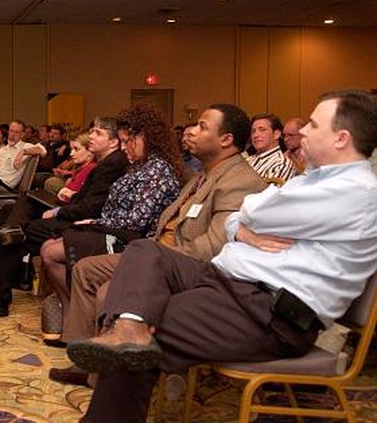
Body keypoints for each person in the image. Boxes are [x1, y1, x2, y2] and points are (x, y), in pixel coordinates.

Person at [67, 90, 377, 423]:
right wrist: (242, 229)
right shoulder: (314, 180)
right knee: (145, 251)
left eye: (314, 125)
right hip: (228, 286)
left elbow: (253, 208)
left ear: (341, 138)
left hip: (268, 313)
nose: (303, 132)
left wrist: (247, 220)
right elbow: (238, 219)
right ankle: (130, 330)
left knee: (142, 329)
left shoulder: (357, 192)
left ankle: (129, 340)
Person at [48, 103, 266, 386]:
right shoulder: (204, 175)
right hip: (158, 251)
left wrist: (157, 256)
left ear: (226, 140)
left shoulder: (240, 181)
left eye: (201, 126)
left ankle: (104, 376)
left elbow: (213, 247)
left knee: (108, 290)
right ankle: (84, 358)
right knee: (86, 269)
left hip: (186, 265)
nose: (190, 131)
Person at [38, 104, 182, 341]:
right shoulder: (141, 165)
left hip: (130, 239)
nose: (124, 148)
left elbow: (138, 220)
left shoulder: (158, 169)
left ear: (146, 138)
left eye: (128, 142)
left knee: (52, 251)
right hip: (113, 228)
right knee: (48, 246)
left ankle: (73, 313)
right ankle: (72, 313)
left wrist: (97, 221)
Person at [0, 117, 129, 317]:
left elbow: (90, 208)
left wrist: (59, 211)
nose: (91, 136)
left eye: (98, 133)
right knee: (21, 211)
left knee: (16, 235)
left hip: (86, 224)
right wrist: (70, 199)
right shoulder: (108, 162)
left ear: (113, 142)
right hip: (77, 213)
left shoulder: (111, 164)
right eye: (92, 131)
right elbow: (91, 200)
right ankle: (1, 286)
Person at [247, 113, 296, 182]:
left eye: (262, 130)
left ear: (276, 134)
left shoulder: (281, 164)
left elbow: (270, 192)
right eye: (253, 131)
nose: (255, 135)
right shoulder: (248, 160)